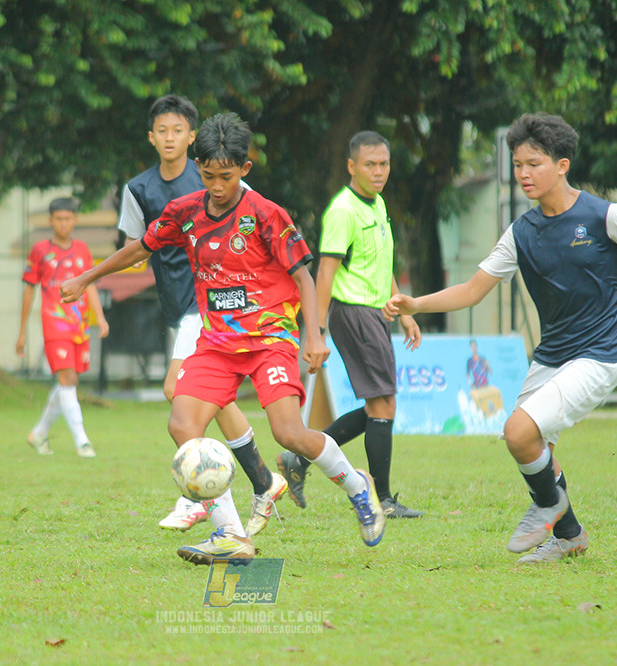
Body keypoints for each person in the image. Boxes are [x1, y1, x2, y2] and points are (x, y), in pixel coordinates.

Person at [383, 112, 617, 563]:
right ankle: (570, 535)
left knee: (518, 431)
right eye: (518, 164)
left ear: (562, 165)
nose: (523, 174)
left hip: (601, 354)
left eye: (534, 163)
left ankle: (548, 507)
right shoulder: (522, 232)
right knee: (537, 449)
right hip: (552, 356)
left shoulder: (605, 216)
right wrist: (416, 303)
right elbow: (473, 289)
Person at [63, 113, 386, 564]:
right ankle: (232, 534)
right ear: (199, 168)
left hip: (270, 337)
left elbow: (304, 277)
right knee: (182, 427)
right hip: (217, 343)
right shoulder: (186, 212)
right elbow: (140, 247)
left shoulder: (266, 215)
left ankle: (357, 486)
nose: (217, 186)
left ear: (245, 170)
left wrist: (314, 335)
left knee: (290, 433)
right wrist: (87, 277)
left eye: (227, 177)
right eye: (209, 175)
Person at [117, 94, 286, 536]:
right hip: (176, 304)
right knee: (214, 394)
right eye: (162, 130)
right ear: (151, 137)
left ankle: (201, 499)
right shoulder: (138, 189)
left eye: (178, 130)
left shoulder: (217, 173)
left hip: (209, 304)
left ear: (191, 137)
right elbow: (136, 245)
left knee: (178, 390)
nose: (170, 138)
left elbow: (257, 221)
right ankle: (263, 481)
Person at [276, 131, 424, 519]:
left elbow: (383, 261)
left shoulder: (376, 204)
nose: (378, 172)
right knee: (383, 403)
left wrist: (402, 308)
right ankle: (384, 500)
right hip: (354, 312)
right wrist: (317, 331)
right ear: (351, 166)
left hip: (377, 311)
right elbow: (325, 272)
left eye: (384, 164)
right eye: (370, 165)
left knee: (380, 405)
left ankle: (299, 459)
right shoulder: (343, 210)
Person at [17, 197, 109, 458]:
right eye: (59, 219)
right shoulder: (39, 251)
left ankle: (39, 433)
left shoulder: (82, 249)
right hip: (54, 322)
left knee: (70, 381)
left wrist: (99, 317)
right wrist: (22, 330)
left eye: (68, 218)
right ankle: (82, 441)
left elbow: (89, 284)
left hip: (80, 323)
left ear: (75, 220)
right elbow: (28, 289)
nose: (64, 223)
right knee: (67, 380)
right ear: (50, 221)